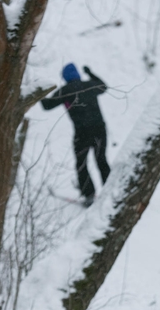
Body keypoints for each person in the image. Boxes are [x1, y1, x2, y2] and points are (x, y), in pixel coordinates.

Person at [41, 63, 111, 207]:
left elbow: (47, 105)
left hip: (82, 133)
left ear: (65, 77)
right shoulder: (89, 85)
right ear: (78, 75)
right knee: (101, 160)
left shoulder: (65, 91)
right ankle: (111, 191)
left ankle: (89, 195)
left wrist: (38, 92)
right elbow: (103, 86)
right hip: (99, 130)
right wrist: (90, 73)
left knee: (81, 164)